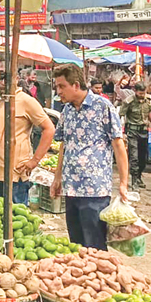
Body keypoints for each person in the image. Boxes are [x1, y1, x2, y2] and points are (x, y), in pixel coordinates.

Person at [50, 64, 129, 250]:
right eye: (57, 87)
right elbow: (64, 144)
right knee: (76, 246)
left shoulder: (103, 107)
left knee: (95, 245)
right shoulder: (67, 111)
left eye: (62, 86)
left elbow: (118, 144)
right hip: (71, 188)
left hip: (95, 190)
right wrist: (57, 177)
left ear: (76, 85)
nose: (58, 91)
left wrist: (123, 183)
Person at [0, 68, 54, 205]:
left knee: (14, 220)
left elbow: (49, 129)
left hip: (12, 177)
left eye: (6, 78)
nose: (2, 83)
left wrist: (34, 160)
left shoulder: (26, 101)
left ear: (16, 79)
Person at [120, 81, 151, 191]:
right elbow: (121, 114)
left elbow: (149, 112)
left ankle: (139, 177)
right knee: (134, 157)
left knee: (143, 157)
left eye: (143, 93)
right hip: (132, 131)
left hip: (144, 131)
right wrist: (121, 131)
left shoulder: (148, 100)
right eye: (140, 93)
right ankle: (134, 181)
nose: (142, 95)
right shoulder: (129, 101)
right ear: (135, 91)